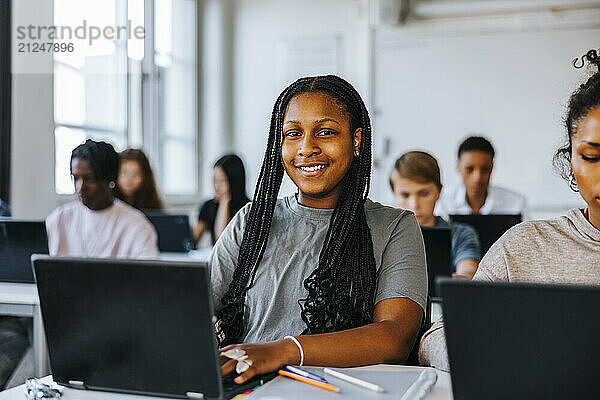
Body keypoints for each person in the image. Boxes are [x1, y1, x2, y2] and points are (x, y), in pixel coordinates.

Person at [211, 75, 427, 385]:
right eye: (293, 134)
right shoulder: (251, 221)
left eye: (325, 132)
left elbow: (394, 338)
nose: (307, 148)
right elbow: (197, 310)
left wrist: (282, 351)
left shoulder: (395, 227)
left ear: (356, 141)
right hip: (248, 386)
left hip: (338, 390)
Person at [419, 49, 600, 371]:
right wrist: (508, 353)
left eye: (484, 169)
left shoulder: (512, 203)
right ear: (570, 161)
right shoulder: (524, 246)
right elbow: (438, 336)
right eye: (591, 157)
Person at [46, 139, 160, 258]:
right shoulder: (59, 219)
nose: (80, 188)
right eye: (76, 179)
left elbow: (149, 274)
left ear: (110, 179)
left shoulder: (136, 225)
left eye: (89, 179)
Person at [390, 151, 480, 278]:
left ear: (439, 191)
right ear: (394, 193)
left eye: (423, 194)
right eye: (405, 195)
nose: (414, 204)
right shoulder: (383, 234)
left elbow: (468, 274)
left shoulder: (461, 234)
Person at [436, 136, 528, 217]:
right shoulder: (442, 200)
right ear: (458, 167)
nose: (477, 178)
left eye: (485, 169)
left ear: (492, 168)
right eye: (470, 169)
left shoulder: (516, 204)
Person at [194, 154, 250, 245]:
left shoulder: (247, 209)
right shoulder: (208, 206)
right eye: (214, 180)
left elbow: (222, 244)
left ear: (234, 182)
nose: (216, 187)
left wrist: (225, 202)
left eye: (222, 181)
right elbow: (193, 238)